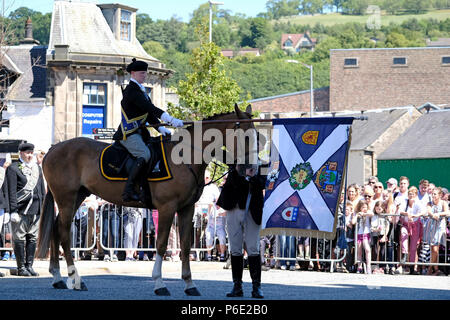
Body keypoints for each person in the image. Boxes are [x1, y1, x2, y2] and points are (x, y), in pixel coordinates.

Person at [112, 58, 184, 202]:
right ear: (132, 73)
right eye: (141, 73)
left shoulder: (141, 90)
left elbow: (148, 114)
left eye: (145, 73)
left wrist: (161, 128)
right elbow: (150, 108)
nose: (144, 76)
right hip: (129, 134)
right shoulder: (132, 91)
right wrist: (170, 120)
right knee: (144, 154)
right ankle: (129, 190)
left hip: (141, 133)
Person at [217, 164, 266, 299]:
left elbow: (262, 184)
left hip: (252, 210)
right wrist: (240, 171)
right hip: (234, 208)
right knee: (235, 249)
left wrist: (251, 177)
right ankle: (237, 286)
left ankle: (256, 286)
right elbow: (233, 183)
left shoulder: (262, 166)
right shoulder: (235, 164)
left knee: (253, 248)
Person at [6, 143, 46, 276]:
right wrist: (12, 210)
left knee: (32, 238)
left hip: (35, 209)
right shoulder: (13, 168)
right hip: (21, 209)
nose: (29, 155)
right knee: (19, 239)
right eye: (27, 153)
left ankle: (29, 266)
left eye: (31, 153)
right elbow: (11, 191)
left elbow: (41, 189)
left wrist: (43, 207)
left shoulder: (37, 169)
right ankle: (21, 267)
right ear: (21, 153)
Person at [398, 186, 425, 274]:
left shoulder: (418, 203)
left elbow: (423, 212)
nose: (411, 196)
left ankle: (412, 266)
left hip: (415, 225)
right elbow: (400, 211)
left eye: (413, 194)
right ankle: (405, 254)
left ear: (416, 195)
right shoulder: (405, 202)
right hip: (406, 224)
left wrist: (417, 215)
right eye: (410, 194)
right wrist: (407, 214)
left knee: (413, 247)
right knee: (403, 235)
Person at [423, 187, 449, 276]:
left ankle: (430, 268)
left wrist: (439, 214)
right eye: (432, 193)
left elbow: (447, 212)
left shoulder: (443, 203)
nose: (433, 195)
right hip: (431, 227)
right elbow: (429, 212)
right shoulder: (429, 203)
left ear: (440, 195)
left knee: (435, 249)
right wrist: (434, 215)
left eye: (435, 194)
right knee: (433, 249)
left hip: (439, 228)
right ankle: (436, 269)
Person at [352, 199, 373, 274]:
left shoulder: (368, 212)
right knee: (359, 251)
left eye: (365, 207)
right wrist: (357, 215)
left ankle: (368, 266)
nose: (364, 209)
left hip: (366, 234)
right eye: (363, 207)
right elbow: (353, 222)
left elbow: (372, 214)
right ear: (359, 207)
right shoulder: (356, 213)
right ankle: (359, 266)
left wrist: (365, 214)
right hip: (359, 234)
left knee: (367, 249)